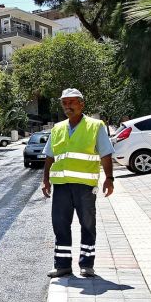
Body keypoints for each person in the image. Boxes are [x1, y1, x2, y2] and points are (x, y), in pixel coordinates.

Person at [41, 89, 114, 278]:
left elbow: (106, 153)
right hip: (62, 186)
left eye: (72, 102)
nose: (68, 106)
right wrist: (45, 180)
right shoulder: (57, 129)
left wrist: (109, 178)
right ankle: (62, 265)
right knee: (60, 225)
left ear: (81, 104)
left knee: (87, 224)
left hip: (85, 186)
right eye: (64, 103)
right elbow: (50, 156)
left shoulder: (95, 126)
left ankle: (87, 265)